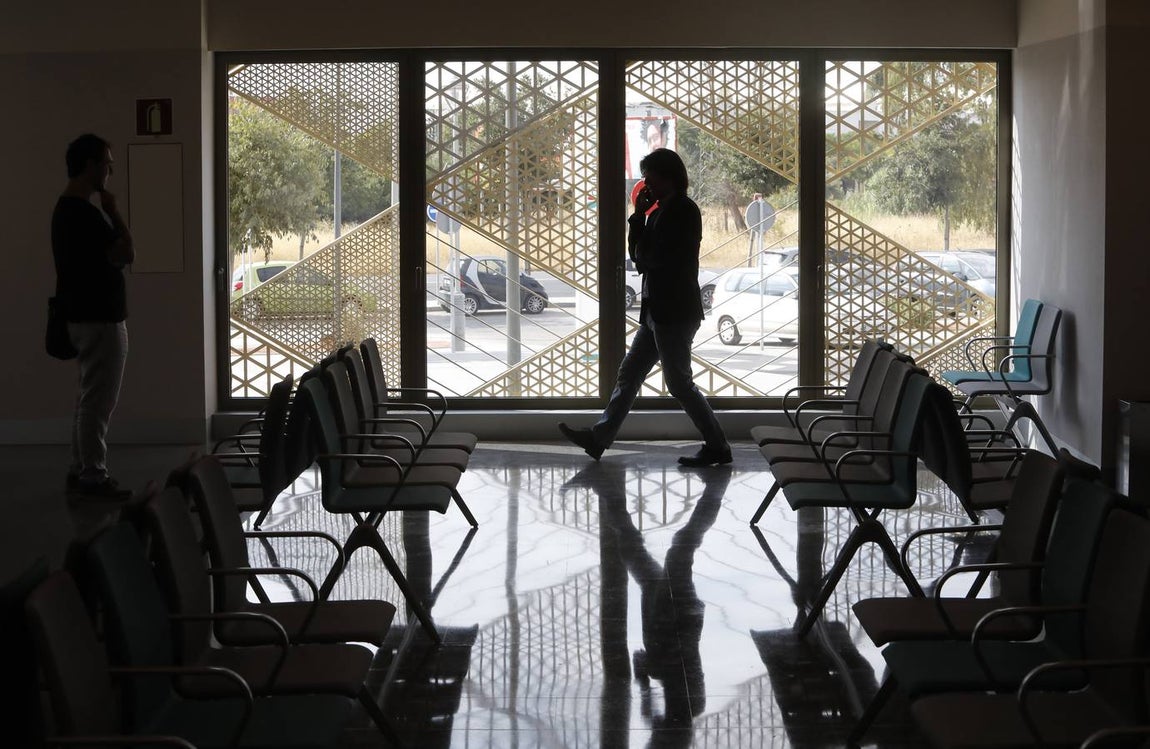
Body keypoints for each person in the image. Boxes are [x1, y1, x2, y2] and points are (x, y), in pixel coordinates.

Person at [559, 148, 732, 467]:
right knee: (629, 375)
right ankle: (599, 438)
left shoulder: (683, 210)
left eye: (650, 176)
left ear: (668, 177)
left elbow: (650, 257)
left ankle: (718, 445)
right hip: (657, 312)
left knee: (679, 382)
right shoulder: (658, 212)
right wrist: (638, 217)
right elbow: (640, 257)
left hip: (674, 312)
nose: (645, 183)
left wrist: (642, 239)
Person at [52, 134, 135, 498]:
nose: (110, 169)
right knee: (98, 402)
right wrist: (114, 211)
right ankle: (93, 475)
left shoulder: (66, 210)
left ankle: (80, 467)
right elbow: (126, 253)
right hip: (99, 320)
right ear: (90, 165)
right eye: (107, 163)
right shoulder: (84, 214)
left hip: (83, 317)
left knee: (88, 398)